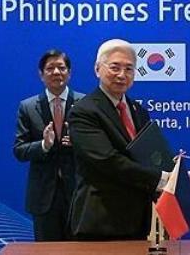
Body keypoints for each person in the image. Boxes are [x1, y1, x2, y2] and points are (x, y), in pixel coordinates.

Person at [68, 39, 168, 240]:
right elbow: (107, 160)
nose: (122, 75)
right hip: (100, 222)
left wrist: (170, 172)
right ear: (97, 69)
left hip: (139, 220)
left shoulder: (139, 111)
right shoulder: (83, 111)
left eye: (129, 69)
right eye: (115, 67)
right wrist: (161, 179)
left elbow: (149, 156)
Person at [13, 49, 84, 241]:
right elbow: (19, 150)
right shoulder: (27, 107)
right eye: (50, 68)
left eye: (61, 68)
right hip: (44, 198)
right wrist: (43, 145)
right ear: (41, 74)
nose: (56, 72)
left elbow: (98, 147)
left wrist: (79, 144)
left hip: (79, 195)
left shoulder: (85, 104)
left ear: (69, 73)